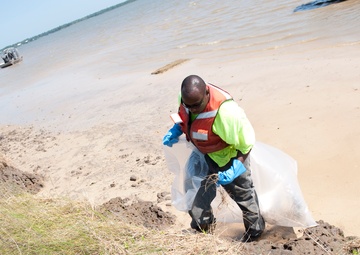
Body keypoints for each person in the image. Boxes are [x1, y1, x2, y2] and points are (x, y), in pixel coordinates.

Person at [163, 75, 265, 242]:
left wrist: (236, 167)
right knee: (195, 190)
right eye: (188, 105)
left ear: (207, 94)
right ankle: (203, 229)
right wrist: (177, 128)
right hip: (204, 155)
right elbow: (185, 116)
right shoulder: (187, 100)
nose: (193, 109)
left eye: (197, 105)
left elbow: (246, 144)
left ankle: (255, 234)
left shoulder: (226, 114)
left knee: (244, 197)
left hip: (230, 157)